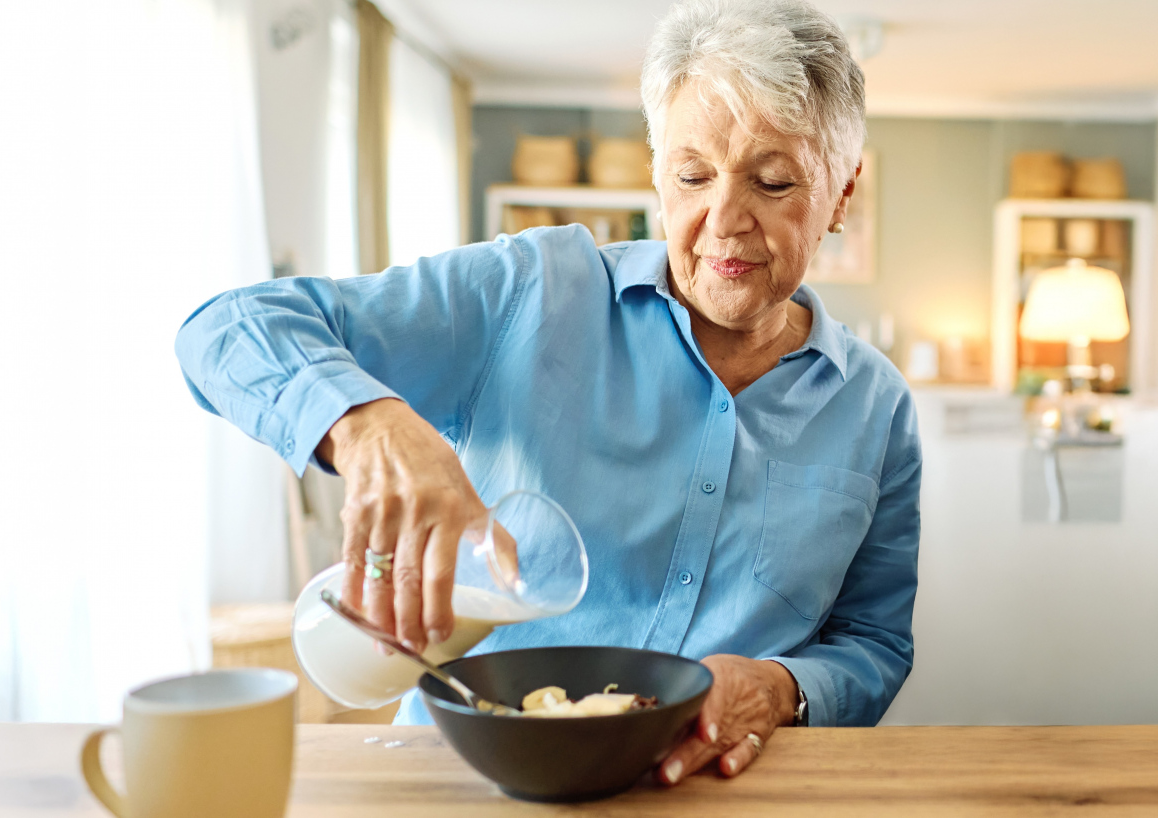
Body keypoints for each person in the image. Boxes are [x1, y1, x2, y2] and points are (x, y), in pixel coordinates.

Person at [175, 0, 919, 786]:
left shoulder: (879, 409)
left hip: (709, 794)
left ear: (842, 193)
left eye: (772, 182)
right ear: (656, 171)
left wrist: (782, 689)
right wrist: (372, 427)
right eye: (692, 175)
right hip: (471, 785)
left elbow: (873, 642)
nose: (722, 219)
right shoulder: (529, 292)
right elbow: (225, 328)